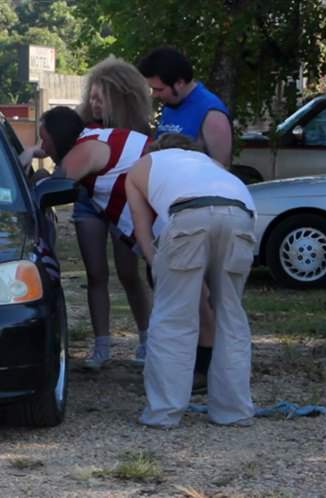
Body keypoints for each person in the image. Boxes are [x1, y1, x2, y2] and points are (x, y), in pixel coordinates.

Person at [124, 132, 256, 428]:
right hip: (241, 216)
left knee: (173, 317)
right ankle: (233, 411)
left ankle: (164, 412)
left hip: (187, 216)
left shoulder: (142, 165)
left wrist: (157, 265)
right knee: (231, 315)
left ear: (156, 149)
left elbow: (142, 228)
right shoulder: (210, 164)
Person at [46, 56, 154, 369]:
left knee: (128, 272)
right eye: (90, 97)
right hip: (88, 202)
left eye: (100, 98)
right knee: (95, 273)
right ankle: (101, 345)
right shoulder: (83, 129)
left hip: (123, 204)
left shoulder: (139, 133)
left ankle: (147, 339)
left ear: (120, 98)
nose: (93, 104)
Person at [138, 47, 235, 389]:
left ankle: (205, 368)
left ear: (180, 82)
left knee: (200, 295)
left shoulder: (211, 114)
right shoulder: (172, 106)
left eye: (160, 89)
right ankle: (186, 360)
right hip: (169, 218)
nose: (155, 95)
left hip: (198, 218)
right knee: (174, 292)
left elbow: (221, 171)